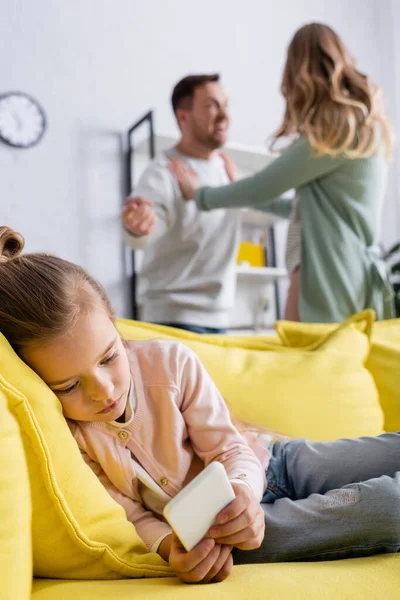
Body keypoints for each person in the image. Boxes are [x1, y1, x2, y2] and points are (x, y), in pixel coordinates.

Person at [1, 226, 400, 585]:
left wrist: (243, 491)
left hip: (272, 464)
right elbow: (130, 514)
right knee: (388, 507)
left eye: (109, 358)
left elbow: (230, 449)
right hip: (219, 534)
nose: (103, 391)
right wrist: (166, 548)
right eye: (69, 386)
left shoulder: (170, 363)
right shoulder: (72, 440)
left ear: (114, 321)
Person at [169, 23, 395, 323]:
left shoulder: (334, 129)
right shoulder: (363, 127)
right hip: (353, 274)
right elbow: (302, 208)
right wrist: (238, 188)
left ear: (299, 71)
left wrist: (199, 195)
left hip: (332, 274)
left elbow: (264, 186)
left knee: (308, 363)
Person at [122, 74, 241, 334]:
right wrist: (137, 226)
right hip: (174, 320)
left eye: (225, 104)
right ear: (183, 117)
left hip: (220, 319)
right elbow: (143, 234)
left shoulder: (227, 169)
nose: (224, 116)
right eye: (212, 105)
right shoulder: (163, 172)